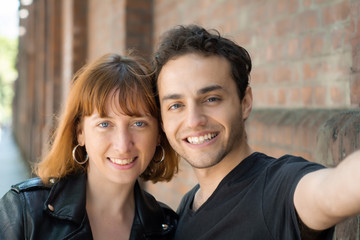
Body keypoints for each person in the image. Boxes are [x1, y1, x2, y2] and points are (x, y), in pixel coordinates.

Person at [153, 24, 360, 239]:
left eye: (211, 99)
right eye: (176, 105)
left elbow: (333, 188)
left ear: (245, 102)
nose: (194, 120)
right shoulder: (187, 206)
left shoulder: (277, 189)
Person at [0, 53, 178, 239]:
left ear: (159, 134)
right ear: (80, 133)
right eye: (104, 124)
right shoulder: (24, 210)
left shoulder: (168, 228)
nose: (123, 145)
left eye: (138, 124)